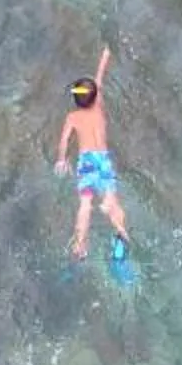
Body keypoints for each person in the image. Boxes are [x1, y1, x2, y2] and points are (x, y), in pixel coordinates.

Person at [54, 47, 136, 268]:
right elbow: (98, 80)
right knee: (111, 199)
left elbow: (64, 141)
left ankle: (80, 246)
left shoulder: (72, 117)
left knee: (85, 203)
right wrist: (105, 57)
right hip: (103, 160)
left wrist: (61, 159)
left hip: (87, 162)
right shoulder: (99, 107)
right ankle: (122, 234)